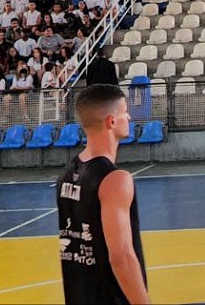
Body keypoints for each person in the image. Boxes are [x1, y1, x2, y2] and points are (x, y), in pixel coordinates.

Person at [56, 84, 149, 305]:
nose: (128, 116)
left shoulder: (67, 174)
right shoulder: (115, 180)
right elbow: (122, 257)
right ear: (112, 121)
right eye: (124, 110)